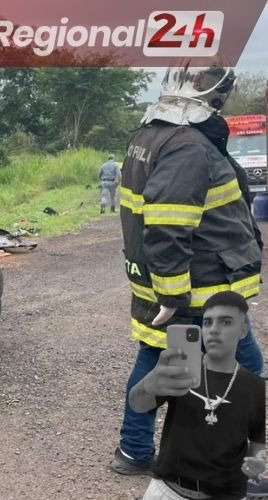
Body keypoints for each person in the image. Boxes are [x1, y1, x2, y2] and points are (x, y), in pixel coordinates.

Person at [112, 59, 265, 477]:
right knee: (244, 371)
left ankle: (134, 450)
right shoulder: (188, 146)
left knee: (157, 361)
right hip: (202, 288)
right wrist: (173, 294)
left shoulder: (150, 134)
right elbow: (167, 224)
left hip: (182, 286)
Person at [130, 291, 265, 499]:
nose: (214, 330)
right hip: (167, 490)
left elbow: (257, 439)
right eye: (207, 322)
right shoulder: (182, 371)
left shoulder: (254, 386)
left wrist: (257, 462)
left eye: (226, 322)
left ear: (243, 330)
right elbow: (137, 406)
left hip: (225, 494)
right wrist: (149, 383)